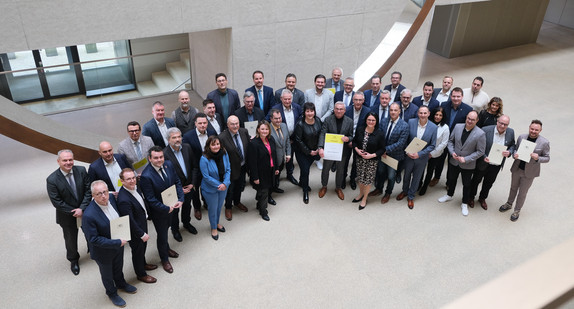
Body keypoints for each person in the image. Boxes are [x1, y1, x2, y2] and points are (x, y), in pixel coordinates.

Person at [82, 180, 136, 307]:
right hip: (103, 251)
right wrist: (117, 242)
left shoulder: (111, 198)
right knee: (107, 274)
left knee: (118, 266)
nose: (103, 196)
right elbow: (93, 239)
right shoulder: (89, 215)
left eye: (105, 192)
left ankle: (121, 283)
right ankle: (112, 293)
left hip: (118, 245)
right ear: (93, 196)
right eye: (99, 194)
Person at [46, 149, 91, 275]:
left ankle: (92, 250)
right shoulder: (52, 179)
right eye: (65, 160)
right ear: (58, 161)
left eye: (70, 159)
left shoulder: (81, 170)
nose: (68, 162)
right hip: (67, 216)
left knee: (89, 231)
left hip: (85, 210)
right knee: (70, 240)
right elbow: (57, 202)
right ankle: (74, 260)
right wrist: (74, 212)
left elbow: (88, 190)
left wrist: (81, 208)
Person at [139, 146, 184, 273]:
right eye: (156, 158)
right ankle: (164, 259)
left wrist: (180, 199)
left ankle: (167, 249)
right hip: (159, 212)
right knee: (162, 235)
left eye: (161, 157)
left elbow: (177, 182)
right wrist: (166, 208)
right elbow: (150, 199)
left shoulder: (168, 164)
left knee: (169, 228)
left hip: (173, 206)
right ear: (150, 159)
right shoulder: (146, 176)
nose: (159, 160)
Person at [500, 120, 550, 221]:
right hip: (517, 168)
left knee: (522, 192)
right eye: (532, 129)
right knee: (513, 188)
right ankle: (509, 203)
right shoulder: (522, 137)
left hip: (529, 172)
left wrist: (538, 158)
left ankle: (517, 210)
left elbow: (547, 158)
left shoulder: (544, 142)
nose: (533, 131)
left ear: (540, 130)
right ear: (529, 128)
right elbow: (515, 149)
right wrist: (514, 154)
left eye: (536, 130)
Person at [438, 111, 486, 216]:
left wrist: (466, 159)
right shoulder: (458, 126)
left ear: (477, 121)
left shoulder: (480, 133)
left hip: (468, 164)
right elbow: (450, 141)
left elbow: (480, 151)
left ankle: (464, 203)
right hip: (454, 161)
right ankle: (449, 195)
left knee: (467, 184)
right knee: (451, 179)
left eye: (473, 120)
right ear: (466, 118)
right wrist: (452, 152)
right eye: (468, 118)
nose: (469, 121)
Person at [116, 168, 157, 284]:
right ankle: (141, 274)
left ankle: (143, 264)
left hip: (142, 222)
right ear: (122, 181)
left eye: (133, 178)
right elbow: (130, 220)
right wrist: (141, 234)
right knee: (137, 252)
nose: (132, 181)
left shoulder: (136, 187)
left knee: (142, 249)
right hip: (135, 231)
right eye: (128, 179)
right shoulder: (123, 199)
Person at [470, 115, 515, 210]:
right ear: (497, 122)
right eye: (501, 123)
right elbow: (477, 145)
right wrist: (483, 156)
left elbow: (512, 145)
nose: (502, 126)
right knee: (475, 181)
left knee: (489, 183)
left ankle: (482, 198)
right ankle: (471, 197)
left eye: (505, 124)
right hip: (483, 162)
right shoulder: (485, 130)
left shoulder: (510, 132)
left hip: (496, 164)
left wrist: (510, 152)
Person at [396, 106, 437, 209]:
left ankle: (411, 196)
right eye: (421, 113)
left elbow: (432, 145)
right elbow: (405, 138)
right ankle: (404, 191)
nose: (422, 115)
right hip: (409, 155)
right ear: (418, 113)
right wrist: (407, 150)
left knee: (417, 177)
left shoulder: (433, 127)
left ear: (429, 114)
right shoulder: (411, 122)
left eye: (425, 113)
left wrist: (420, 154)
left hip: (421, 157)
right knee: (406, 176)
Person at [163, 127, 199, 241]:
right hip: (175, 190)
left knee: (187, 206)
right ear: (168, 140)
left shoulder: (187, 147)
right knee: (175, 211)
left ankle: (186, 223)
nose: (178, 139)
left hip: (189, 186)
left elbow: (194, 167)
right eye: (174, 137)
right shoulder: (164, 154)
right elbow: (165, 177)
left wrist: (193, 183)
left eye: (179, 136)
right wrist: (178, 190)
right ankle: (175, 229)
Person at [369, 103, 409, 203]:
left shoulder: (404, 126)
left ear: (399, 111)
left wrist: (385, 150)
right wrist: (381, 150)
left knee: (391, 176)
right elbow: (379, 136)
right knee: (381, 172)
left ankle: (388, 193)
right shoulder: (383, 121)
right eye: (391, 110)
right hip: (382, 154)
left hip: (394, 156)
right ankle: (379, 189)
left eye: (395, 110)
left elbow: (400, 143)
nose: (393, 112)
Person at [183, 113, 217, 221]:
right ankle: (197, 207)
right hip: (195, 168)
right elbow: (186, 154)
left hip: (209, 166)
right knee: (195, 189)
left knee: (207, 186)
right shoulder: (188, 136)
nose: (203, 125)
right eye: (200, 123)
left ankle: (206, 202)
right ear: (195, 123)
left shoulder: (212, 132)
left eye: (205, 123)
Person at [317, 102, 354, 200]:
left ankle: (338, 188)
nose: (339, 111)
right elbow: (322, 134)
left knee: (340, 171)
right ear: (334, 109)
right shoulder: (328, 120)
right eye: (337, 109)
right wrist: (320, 147)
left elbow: (351, 135)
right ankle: (324, 186)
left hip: (342, 151)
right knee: (325, 169)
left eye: (341, 109)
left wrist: (348, 139)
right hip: (329, 150)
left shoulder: (349, 121)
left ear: (345, 110)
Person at [218, 115, 250, 221]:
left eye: (236, 123)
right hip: (230, 170)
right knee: (230, 190)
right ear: (227, 125)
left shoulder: (244, 131)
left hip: (243, 166)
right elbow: (220, 157)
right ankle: (228, 207)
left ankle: (237, 202)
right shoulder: (222, 137)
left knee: (240, 186)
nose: (235, 126)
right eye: (232, 124)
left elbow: (247, 146)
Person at [268, 89, 302, 186]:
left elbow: (300, 120)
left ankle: (290, 175)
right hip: (280, 138)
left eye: (289, 99)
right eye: (285, 99)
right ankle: (276, 178)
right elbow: (267, 120)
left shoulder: (297, 107)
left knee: (290, 158)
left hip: (294, 138)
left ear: (292, 98)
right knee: (279, 159)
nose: (287, 101)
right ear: (281, 98)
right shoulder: (275, 108)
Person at [352, 113, 385, 210]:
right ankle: (361, 193)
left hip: (371, 162)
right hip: (360, 159)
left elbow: (382, 149)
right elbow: (354, 142)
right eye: (369, 120)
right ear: (366, 120)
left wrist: (372, 155)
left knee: (367, 181)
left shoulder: (379, 133)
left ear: (376, 121)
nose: (371, 122)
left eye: (373, 120)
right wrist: (357, 150)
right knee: (360, 178)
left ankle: (364, 199)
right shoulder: (360, 129)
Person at [200, 136, 231, 240]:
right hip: (210, 189)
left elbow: (228, 169)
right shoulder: (204, 158)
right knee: (212, 209)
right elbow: (206, 176)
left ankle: (217, 223)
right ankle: (213, 228)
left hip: (224, 187)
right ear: (208, 146)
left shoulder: (224, 153)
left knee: (219, 207)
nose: (216, 146)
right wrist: (219, 185)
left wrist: (225, 183)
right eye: (213, 144)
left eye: (217, 144)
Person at [248, 121, 279, 221]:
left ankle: (259, 203)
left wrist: (276, 168)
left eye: (266, 129)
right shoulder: (254, 143)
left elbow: (274, 155)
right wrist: (255, 177)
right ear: (258, 129)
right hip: (260, 172)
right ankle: (263, 211)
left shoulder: (271, 139)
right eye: (262, 129)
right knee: (264, 191)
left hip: (271, 169)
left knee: (265, 189)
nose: (264, 131)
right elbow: (252, 163)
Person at [294, 103, 322, 204]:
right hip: (302, 152)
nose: (310, 113)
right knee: (305, 171)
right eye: (307, 111)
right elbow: (298, 141)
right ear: (304, 112)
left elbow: (321, 134)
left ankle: (301, 182)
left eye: (311, 111)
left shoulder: (318, 120)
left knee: (305, 169)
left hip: (315, 151)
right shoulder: (300, 124)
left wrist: (319, 148)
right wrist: (309, 151)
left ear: (314, 111)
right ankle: (305, 190)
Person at [419, 107, 450, 195]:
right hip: (424, 151)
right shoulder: (427, 123)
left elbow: (444, 143)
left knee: (430, 171)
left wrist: (432, 154)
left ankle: (425, 186)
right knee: (421, 169)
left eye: (440, 115)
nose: (438, 117)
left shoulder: (445, 127)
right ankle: (419, 183)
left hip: (435, 154)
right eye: (436, 114)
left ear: (443, 117)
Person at [344, 91, 370, 190]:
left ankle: (352, 179)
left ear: (363, 101)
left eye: (360, 100)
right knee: (345, 160)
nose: (358, 102)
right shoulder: (347, 110)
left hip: (359, 141)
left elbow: (367, 127)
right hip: (346, 139)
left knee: (356, 162)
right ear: (352, 100)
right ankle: (343, 178)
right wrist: (349, 139)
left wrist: (355, 141)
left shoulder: (368, 111)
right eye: (356, 100)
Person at [269, 109, 291, 199]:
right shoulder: (267, 129)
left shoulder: (284, 126)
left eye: (280, 118)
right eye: (276, 118)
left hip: (282, 157)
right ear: (271, 119)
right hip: (272, 160)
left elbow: (287, 141)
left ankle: (275, 187)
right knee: (270, 178)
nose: (278, 120)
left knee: (277, 174)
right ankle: (269, 195)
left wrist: (288, 153)